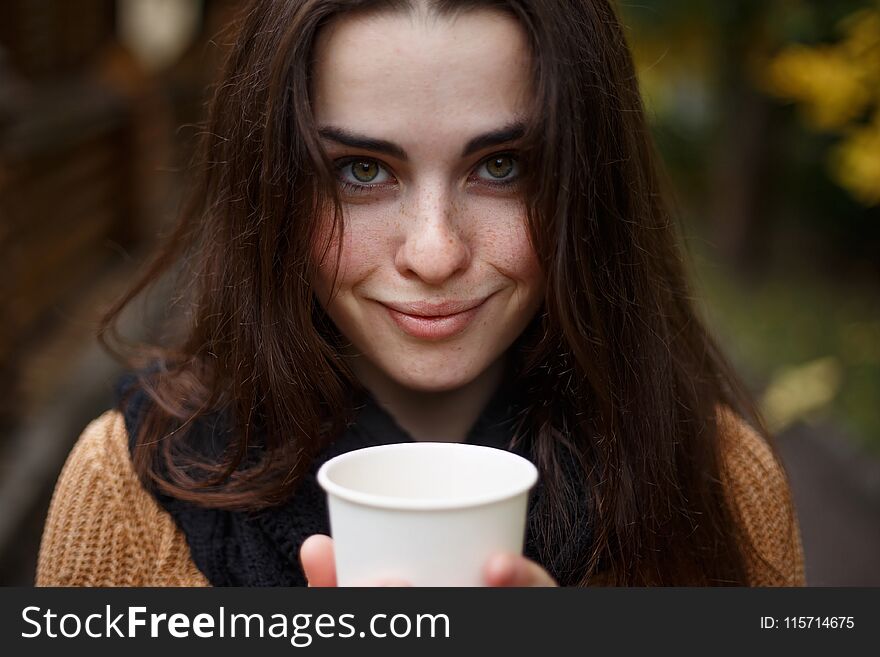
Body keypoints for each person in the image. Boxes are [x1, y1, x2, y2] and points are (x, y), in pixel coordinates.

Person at [36, 0, 805, 587]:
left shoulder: (724, 482)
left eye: (501, 165)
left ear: (586, 185)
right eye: (361, 171)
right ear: (271, 188)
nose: (435, 253)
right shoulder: (128, 493)